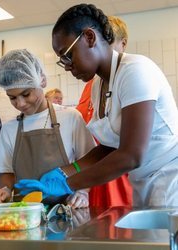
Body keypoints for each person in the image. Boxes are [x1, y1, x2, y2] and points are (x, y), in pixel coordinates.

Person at [15, 4, 178, 208]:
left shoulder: (136, 71)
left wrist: (68, 184)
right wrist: (65, 170)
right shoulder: (98, 85)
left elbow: (131, 155)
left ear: (89, 38)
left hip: (170, 181)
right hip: (145, 182)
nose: (66, 66)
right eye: (61, 60)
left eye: (67, 55)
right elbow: (109, 147)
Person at [0, 49, 96, 208]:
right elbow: (8, 172)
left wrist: (82, 192)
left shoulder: (70, 117)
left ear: (42, 81)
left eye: (26, 94)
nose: (20, 104)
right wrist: (5, 190)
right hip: (24, 214)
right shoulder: (9, 128)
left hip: (66, 209)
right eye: (12, 97)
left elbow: (90, 162)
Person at [76, 16, 132, 208]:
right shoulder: (93, 85)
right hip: (96, 170)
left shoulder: (131, 75)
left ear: (123, 44)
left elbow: (129, 150)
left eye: (109, 43)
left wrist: (69, 182)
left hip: (125, 172)